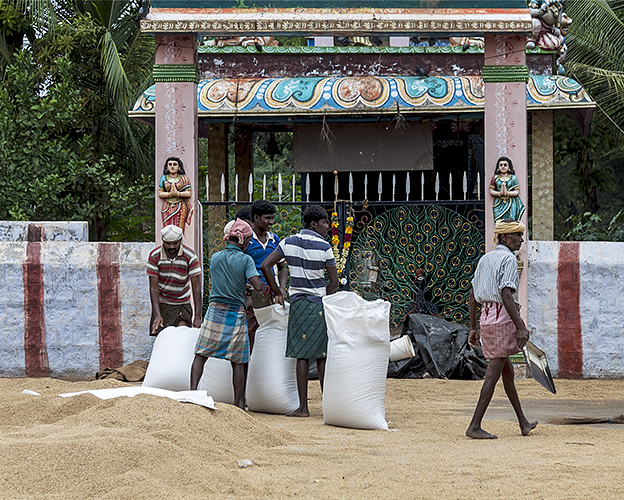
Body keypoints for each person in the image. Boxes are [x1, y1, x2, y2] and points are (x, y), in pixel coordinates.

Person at [261, 205, 339, 417]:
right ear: (314, 224)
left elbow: (266, 266)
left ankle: (303, 407)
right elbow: (334, 281)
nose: (327, 227)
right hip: (318, 304)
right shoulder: (325, 247)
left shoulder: (287, 242)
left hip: (298, 304)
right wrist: (326, 297)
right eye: (324, 223)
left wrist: (278, 291)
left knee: (301, 357)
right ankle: (327, 406)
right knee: (321, 356)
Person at [466, 219, 538, 439]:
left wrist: (473, 327)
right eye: (517, 235)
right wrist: (520, 328)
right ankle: (474, 426)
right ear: (504, 237)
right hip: (500, 322)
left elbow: (472, 295)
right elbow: (506, 295)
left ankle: (523, 423)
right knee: (492, 376)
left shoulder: (485, 259)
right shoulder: (508, 259)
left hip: (487, 321)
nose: (521, 239)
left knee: (507, 374)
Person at [190, 219, 269, 409]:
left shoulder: (216, 257)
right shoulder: (245, 259)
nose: (250, 243)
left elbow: (224, 282)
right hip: (235, 313)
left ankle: (192, 394)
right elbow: (258, 286)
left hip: (215, 310)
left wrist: (241, 284)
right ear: (243, 240)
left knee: (201, 354)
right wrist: (266, 288)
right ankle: (239, 403)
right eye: (250, 239)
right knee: (238, 361)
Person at [245, 201, 288, 347]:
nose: (271, 222)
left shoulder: (274, 239)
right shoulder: (246, 239)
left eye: (272, 218)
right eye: (267, 218)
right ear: (256, 217)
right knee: (251, 336)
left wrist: (281, 289)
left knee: (272, 337)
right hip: (251, 297)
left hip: (273, 296)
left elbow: (282, 267)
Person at [147, 225, 203, 336]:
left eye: (175, 243)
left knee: (182, 336)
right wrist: (157, 314)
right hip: (163, 304)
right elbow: (153, 288)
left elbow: (196, 287)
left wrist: (197, 315)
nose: (172, 247)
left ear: (180, 240)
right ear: (163, 241)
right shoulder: (154, 256)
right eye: (168, 243)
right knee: (164, 339)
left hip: (182, 303)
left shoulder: (190, 256)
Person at [159, 156, 193, 232]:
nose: (172, 167)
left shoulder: (184, 178)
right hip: (167, 206)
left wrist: (177, 193)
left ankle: (180, 243)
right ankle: (167, 243)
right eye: (170, 164)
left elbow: (188, 193)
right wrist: (170, 194)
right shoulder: (163, 178)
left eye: (175, 164)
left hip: (180, 205)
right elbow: (160, 193)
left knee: (180, 228)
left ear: (179, 167)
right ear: (167, 167)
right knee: (167, 229)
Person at [490, 156, 525, 222]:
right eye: (501, 165)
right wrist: (499, 193)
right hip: (499, 203)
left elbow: (516, 191)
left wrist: (508, 193)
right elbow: (491, 191)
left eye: (505, 165)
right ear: (498, 167)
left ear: (509, 167)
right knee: (499, 222)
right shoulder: (495, 178)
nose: (503, 167)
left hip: (511, 202)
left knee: (511, 221)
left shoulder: (513, 178)